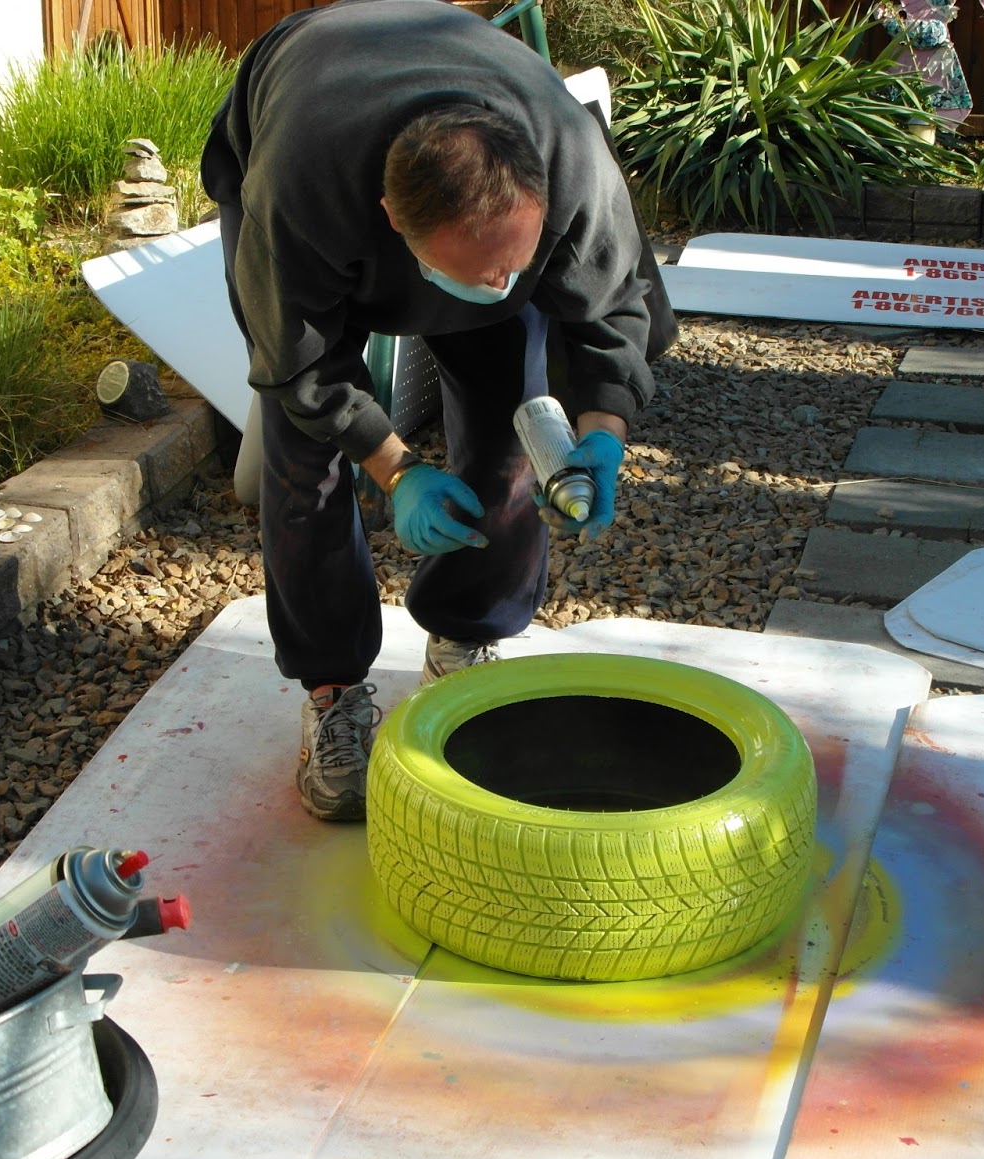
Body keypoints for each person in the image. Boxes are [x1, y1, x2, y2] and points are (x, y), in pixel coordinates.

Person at [200, 0, 676, 821]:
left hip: (471, 145)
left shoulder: (571, 161)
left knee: (512, 428)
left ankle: (466, 633)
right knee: (304, 460)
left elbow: (614, 310)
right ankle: (331, 689)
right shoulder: (301, 191)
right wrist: (396, 469)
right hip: (307, 102)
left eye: (513, 267)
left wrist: (603, 432)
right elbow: (298, 364)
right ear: (392, 223)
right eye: (476, 273)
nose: (498, 287)